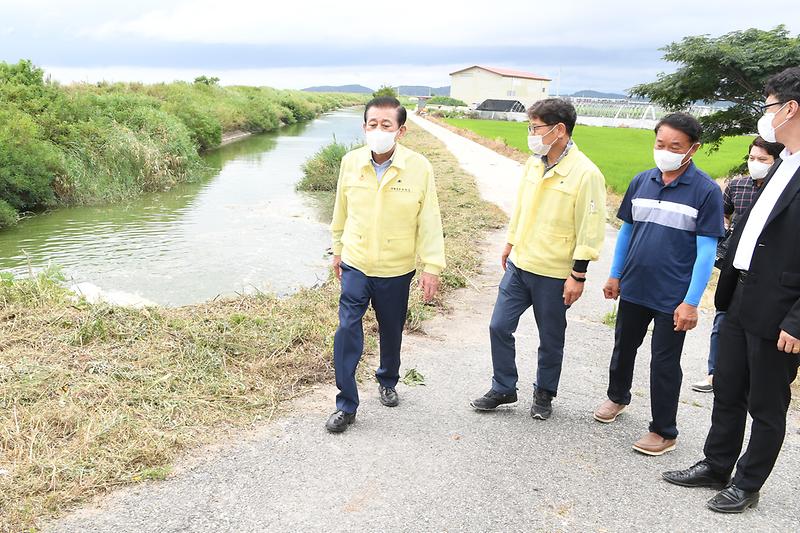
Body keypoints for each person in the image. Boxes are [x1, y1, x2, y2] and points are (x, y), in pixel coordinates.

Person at [663, 66, 800, 513]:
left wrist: (798, 320)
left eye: (769, 107)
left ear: (791, 108)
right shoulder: (783, 161)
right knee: (728, 387)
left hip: (781, 310)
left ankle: (748, 482)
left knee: (766, 402)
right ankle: (717, 463)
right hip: (741, 292)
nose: (766, 117)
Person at [593, 112, 724, 456]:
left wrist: (691, 302)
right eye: (660, 143)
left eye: (675, 146)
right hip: (635, 286)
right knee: (623, 347)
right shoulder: (641, 181)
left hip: (673, 296)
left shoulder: (706, 191)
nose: (665, 151)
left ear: (692, 149)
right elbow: (627, 231)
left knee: (664, 362)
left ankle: (664, 430)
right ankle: (617, 397)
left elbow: (706, 251)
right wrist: (615, 273)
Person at [470, 98, 606, 420]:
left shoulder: (586, 174)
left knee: (551, 338)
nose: (531, 134)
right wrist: (510, 241)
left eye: (535, 127)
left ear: (559, 130)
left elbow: (590, 228)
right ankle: (504, 386)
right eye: (529, 127)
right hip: (521, 263)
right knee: (499, 326)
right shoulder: (534, 163)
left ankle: (544, 393)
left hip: (554, 271)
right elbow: (522, 206)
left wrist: (578, 274)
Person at [325, 96, 445, 433]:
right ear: (364, 127)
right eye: (372, 124)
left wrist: (432, 265)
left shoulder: (419, 167)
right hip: (356, 261)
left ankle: (388, 379)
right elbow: (340, 211)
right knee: (348, 328)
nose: (378, 130)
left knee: (391, 328)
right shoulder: (350, 162)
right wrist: (337, 250)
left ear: (401, 130)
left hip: (396, 266)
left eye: (386, 125)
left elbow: (430, 219)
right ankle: (346, 405)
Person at [691, 137, 784, 393]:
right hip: (734, 265)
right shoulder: (737, 185)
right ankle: (714, 373)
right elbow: (723, 212)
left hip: (766, 271)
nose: (755, 164)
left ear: (777, 162)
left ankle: (749, 379)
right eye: (752, 158)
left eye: (762, 160)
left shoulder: (783, 192)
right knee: (722, 319)